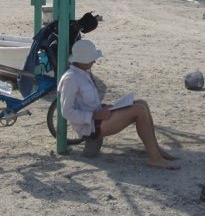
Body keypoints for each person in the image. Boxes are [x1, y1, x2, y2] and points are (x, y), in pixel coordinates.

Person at [58, 39, 179, 170]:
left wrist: (103, 107)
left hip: (97, 119)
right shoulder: (71, 78)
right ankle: (155, 158)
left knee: (142, 104)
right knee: (139, 110)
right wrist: (93, 115)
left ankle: (155, 149)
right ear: (81, 59)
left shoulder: (82, 74)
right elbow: (66, 111)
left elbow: (87, 102)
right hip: (90, 127)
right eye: (91, 58)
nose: (94, 61)